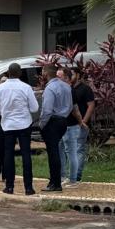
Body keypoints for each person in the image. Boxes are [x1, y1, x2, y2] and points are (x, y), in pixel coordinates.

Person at [0, 63, 38, 196]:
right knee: (26, 154)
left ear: (8, 73)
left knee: (8, 155)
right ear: (19, 73)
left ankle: (9, 186)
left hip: (7, 125)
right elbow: (34, 108)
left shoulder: (0, 88)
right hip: (24, 124)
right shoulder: (26, 87)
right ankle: (28, 188)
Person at [39, 65, 73, 193]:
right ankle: (54, 181)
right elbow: (70, 106)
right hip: (63, 120)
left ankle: (55, 183)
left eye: (42, 70)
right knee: (56, 152)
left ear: (46, 73)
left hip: (52, 121)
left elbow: (47, 109)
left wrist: (42, 124)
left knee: (53, 153)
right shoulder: (66, 86)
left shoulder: (50, 88)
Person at [60, 68, 95, 187]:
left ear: (78, 75)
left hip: (79, 124)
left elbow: (90, 106)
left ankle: (76, 177)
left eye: (73, 74)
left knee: (78, 150)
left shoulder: (85, 89)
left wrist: (83, 122)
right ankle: (68, 176)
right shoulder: (68, 89)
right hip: (68, 124)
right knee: (68, 151)